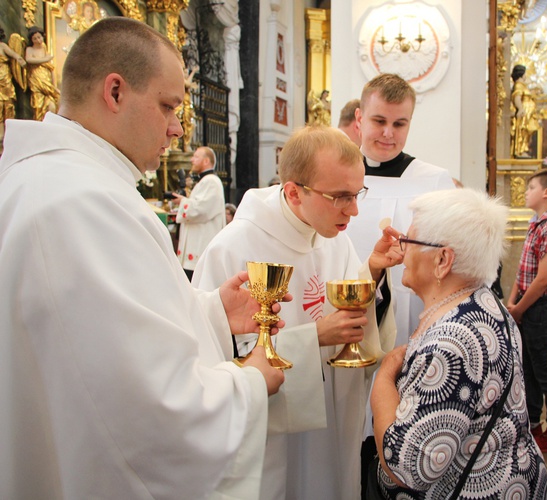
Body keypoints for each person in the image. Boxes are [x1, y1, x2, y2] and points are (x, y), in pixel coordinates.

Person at [0, 18, 288, 499]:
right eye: (168, 106)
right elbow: (145, 411)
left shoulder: (54, 183)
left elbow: (95, 336)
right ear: (115, 92)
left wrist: (213, 312)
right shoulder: (80, 203)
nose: (177, 128)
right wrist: (252, 384)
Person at [192, 126, 399, 500]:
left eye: (357, 194)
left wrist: (372, 273)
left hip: (331, 426)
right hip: (275, 442)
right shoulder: (233, 248)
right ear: (293, 192)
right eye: (340, 197)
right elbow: (211, 359)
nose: (353, 210)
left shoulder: (337, 239)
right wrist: (315, 337)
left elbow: (355, 329)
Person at [370, 188, 547, 499]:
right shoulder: (482, 302)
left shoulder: (452, 341)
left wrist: (384, 379)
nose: (401, 249)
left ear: (442, 260)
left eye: (409, 241)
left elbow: (406, 468)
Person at [348, 72, 455, 347]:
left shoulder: (434, 181)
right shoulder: (336, 176)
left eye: (399, 124)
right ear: (359, 119)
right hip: (346, 316)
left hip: (412, 322)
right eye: (379, 121)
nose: (388, 133)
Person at [507, 168, 547, 453]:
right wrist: (512, 302)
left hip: (542, 309)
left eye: (531, 187)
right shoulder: (536, 223)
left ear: (546, 192)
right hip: (528, 306)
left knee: (546, 371)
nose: (526, 191)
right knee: (529, 369)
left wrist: (519, 309)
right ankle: (532, 422)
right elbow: (524, 272)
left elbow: (543, 279)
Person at [172, 146, 225, 280]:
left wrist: (183, 202)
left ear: (206, 161)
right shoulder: (204, 181)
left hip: (200, 247)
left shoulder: (211, 182)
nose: (192, 159)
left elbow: (200, 210)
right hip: (195, 248)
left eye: (196, 157)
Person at [25, 27, 60, 121]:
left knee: (52, 106)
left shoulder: (44, 48)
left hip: (47, 82)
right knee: (39, 106)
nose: (38, 40)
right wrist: (45, 59)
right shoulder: (30, 49)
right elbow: (28, 60)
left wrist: (54, 85)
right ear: (31, 40)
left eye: (39, 37)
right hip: (36, 81)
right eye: (35, 38)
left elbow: (51, 68)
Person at [0, 28, 26, 150]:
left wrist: (19, 59)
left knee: (7, 103)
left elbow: (13, 54)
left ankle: (8, 131)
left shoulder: (3, 45)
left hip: (4, 77)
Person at [510, 64, 539, 159]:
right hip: (524, 113)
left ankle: (524, 149)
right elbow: (517, 97)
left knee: (528, 130)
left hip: (528, 113)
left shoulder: (522, 86)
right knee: (523, 130)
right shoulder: (518, 85)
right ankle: (520, 150)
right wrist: (521, 109)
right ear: (522, 74)